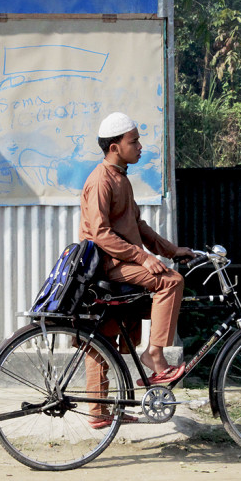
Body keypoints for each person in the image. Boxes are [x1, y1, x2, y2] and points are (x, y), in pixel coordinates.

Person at [79, 112, 195, 427]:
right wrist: (144, 259)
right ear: (115, 146)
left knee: (104, 340)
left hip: (121, 264)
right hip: (109, 267)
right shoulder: (101, 180)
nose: (140, 146)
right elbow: (102, 234)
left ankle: (101, 413)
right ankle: (154, 354)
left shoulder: (121, 177)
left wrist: (172, 250)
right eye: (134, 141)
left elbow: (138, 226)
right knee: (170, 282)